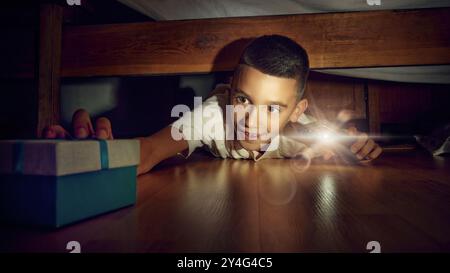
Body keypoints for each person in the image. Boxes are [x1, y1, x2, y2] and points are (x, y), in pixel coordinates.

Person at [43, 35, 382, 175]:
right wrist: (88, 157)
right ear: (230, 89)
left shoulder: (304, 131)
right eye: (243, 99)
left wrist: (354, 144)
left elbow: (337, 142)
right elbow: (147, 151)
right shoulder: (212, 116)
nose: (251, 119)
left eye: (273, 108)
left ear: (296, 111)